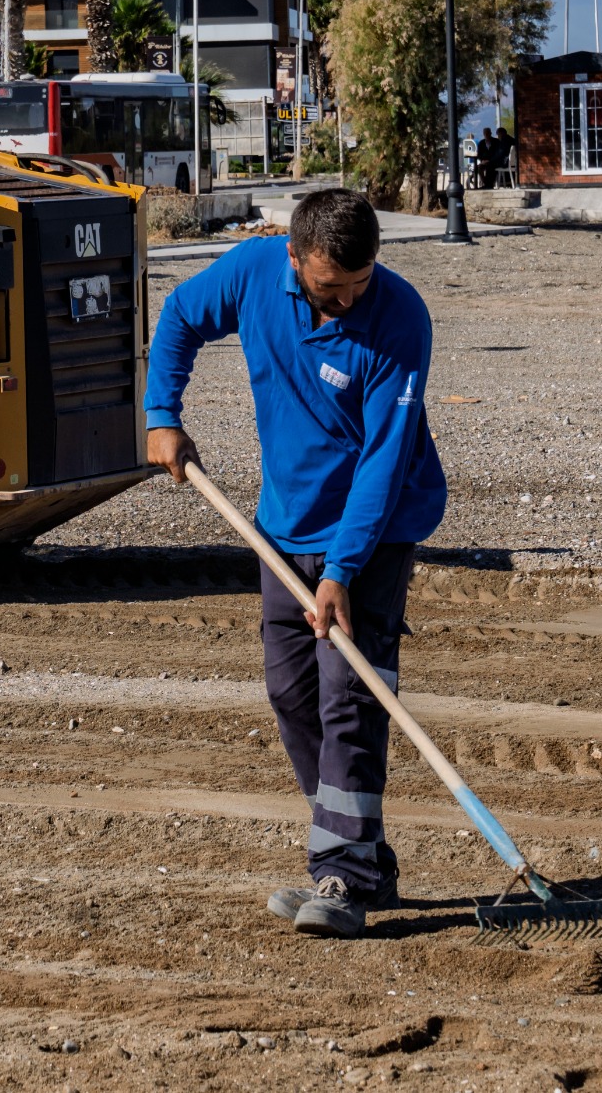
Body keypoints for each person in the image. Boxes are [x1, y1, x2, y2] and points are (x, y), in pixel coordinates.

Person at [144, 187, 447, 939]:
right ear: (294, 260)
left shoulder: (401, 319)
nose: (346, 299)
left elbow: (383, 461)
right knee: (291, 693)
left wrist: (342, 571)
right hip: (284, 525)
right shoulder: (251, 274)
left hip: (374, 531)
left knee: (350, 694)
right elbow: (180, 317)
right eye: (328, 286)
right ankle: (361, 854)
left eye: (359, 282)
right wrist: (162, 415)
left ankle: (342, 872)